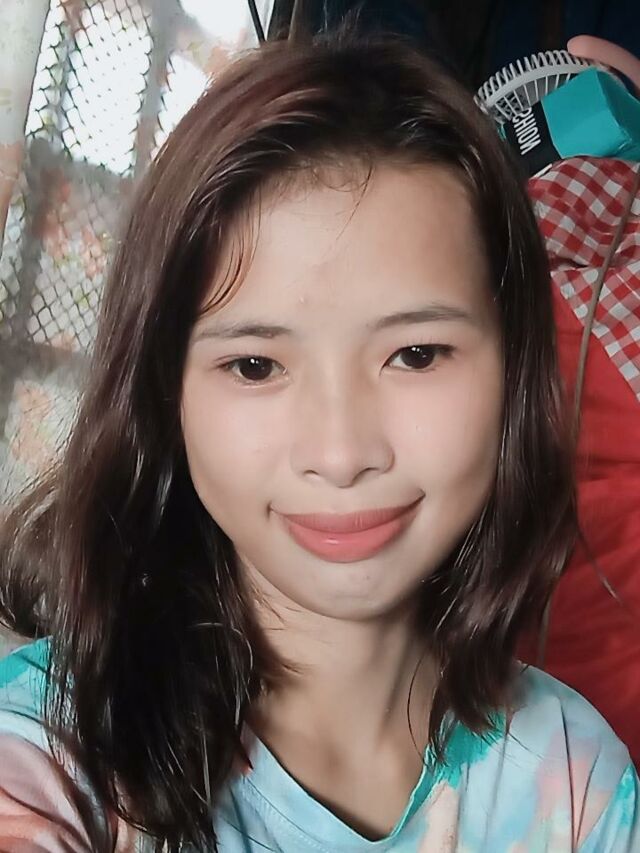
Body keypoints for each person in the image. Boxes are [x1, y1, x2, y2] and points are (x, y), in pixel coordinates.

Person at [0, 30, 637, 853]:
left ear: (516, 372)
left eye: (416, 354)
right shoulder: (55, 757)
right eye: (255, 365)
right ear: (165, 394)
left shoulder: (579, 781)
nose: (340, 454)